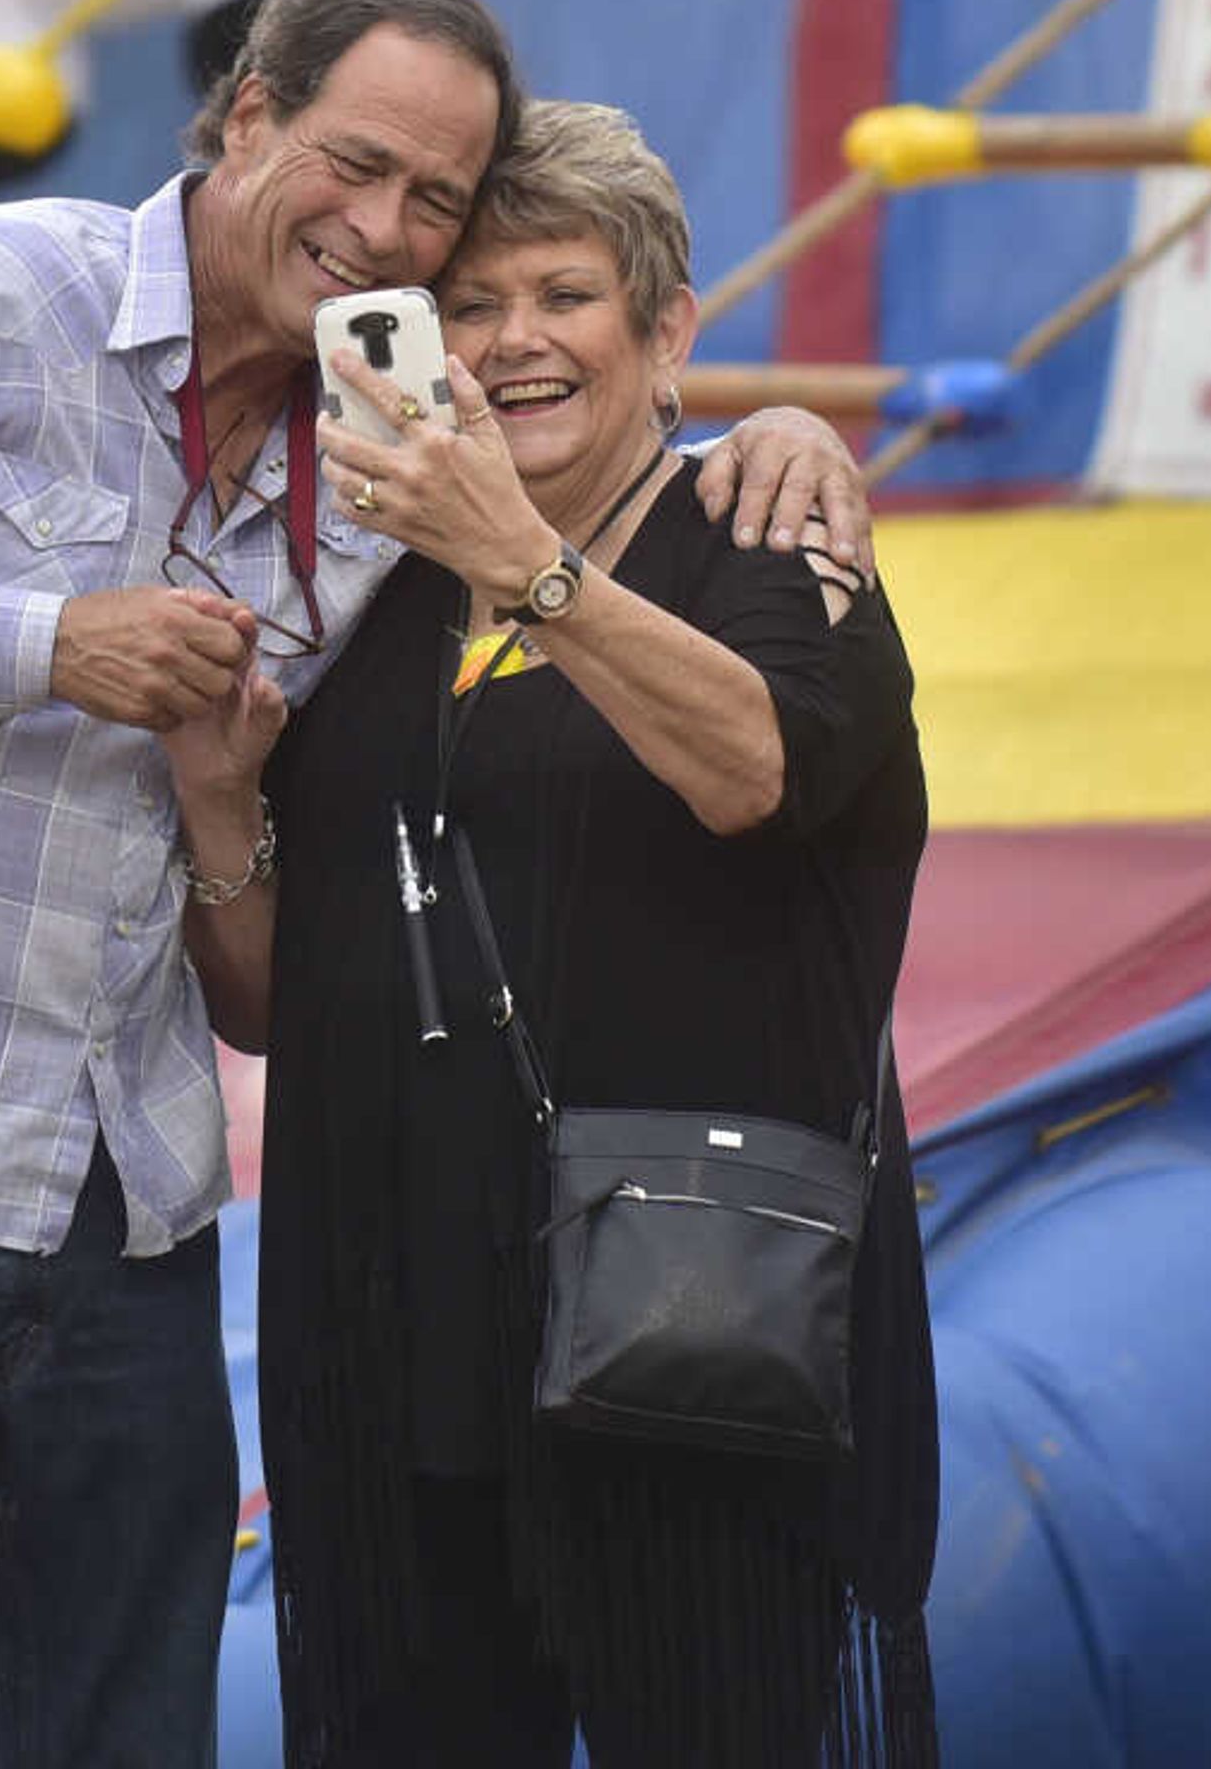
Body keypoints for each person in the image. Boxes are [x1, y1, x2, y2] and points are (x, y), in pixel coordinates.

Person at [0, 0, 872, 1766]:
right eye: (352, 164)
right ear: (247, 118)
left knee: (131, 1740)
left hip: (126, 1203)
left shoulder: (377, 459)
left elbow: (586, 436)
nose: (379, 228)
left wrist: (770, 434)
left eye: (430, 205)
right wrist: (51, 643)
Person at [176, 99, 939, 1768]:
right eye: (472, 305)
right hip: (397, 1332)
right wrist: (221, 803)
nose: (515, 341)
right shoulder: (365, 606)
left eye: (566, 296)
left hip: (688, 1321)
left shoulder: (765, 543)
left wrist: (526, 564)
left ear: (665, 335)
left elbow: (761, 771)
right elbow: (274, 1006)